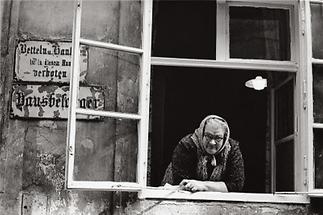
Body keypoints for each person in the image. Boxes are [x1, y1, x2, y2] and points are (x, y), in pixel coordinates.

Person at [161, 115, 245, 192]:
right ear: (202, 133)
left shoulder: (232, 149)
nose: (212, 142)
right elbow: (183, 184)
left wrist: (204, 185)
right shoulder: (187, 146)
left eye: (218, 138)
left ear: (225, 137)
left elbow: (236, 185)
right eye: (208, 136)